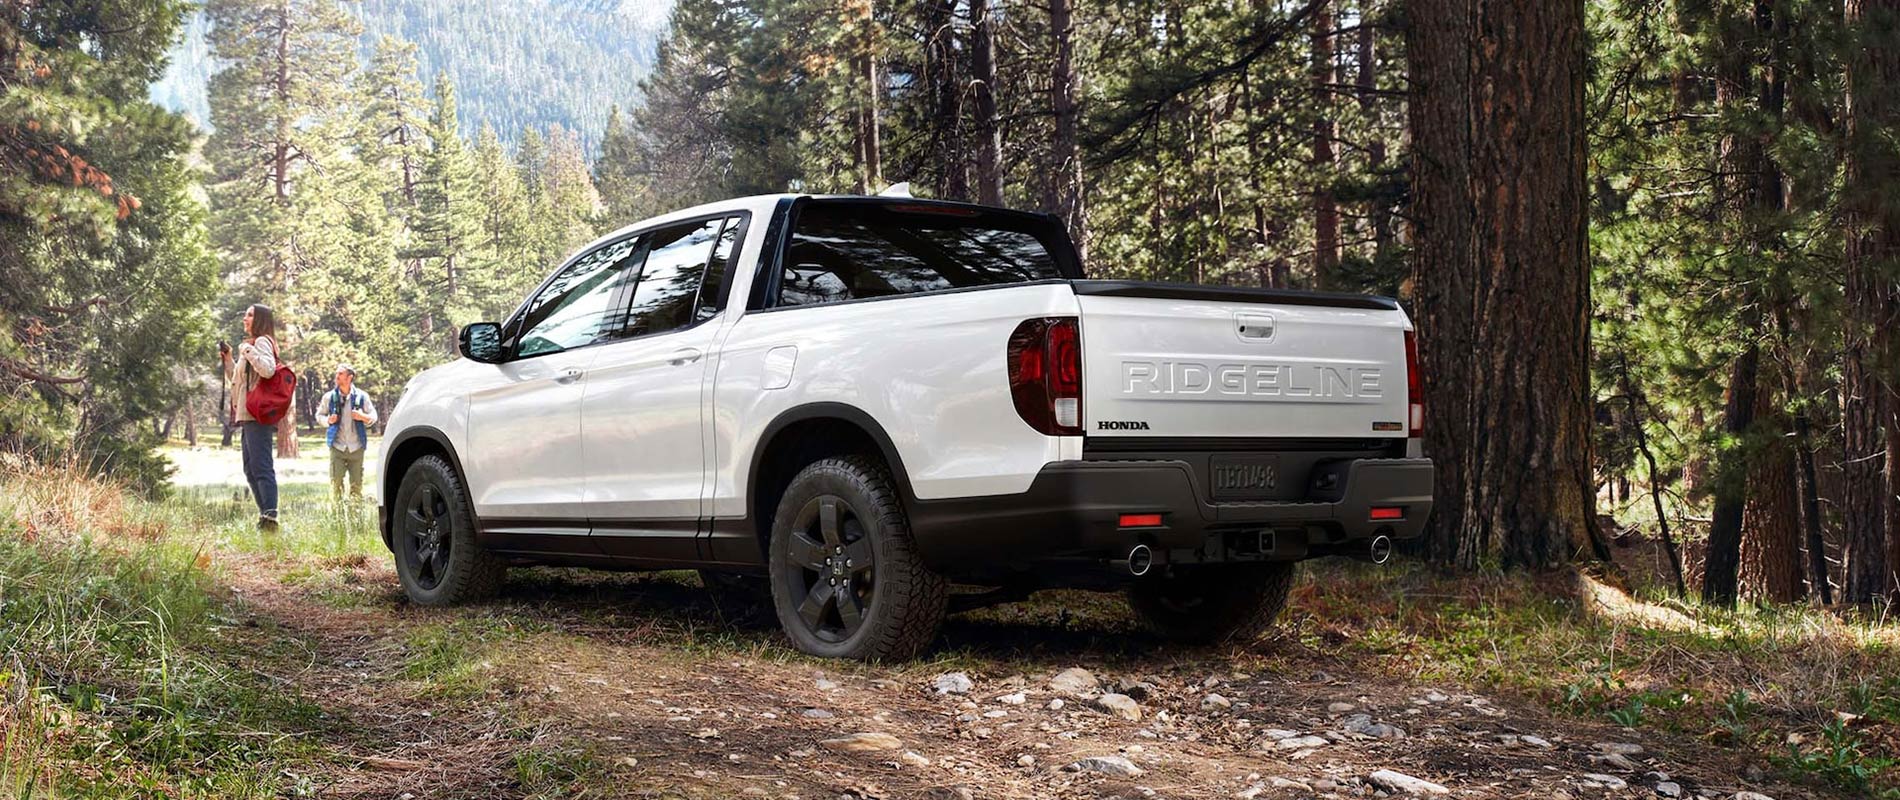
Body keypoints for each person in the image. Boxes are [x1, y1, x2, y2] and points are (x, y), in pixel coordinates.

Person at [221, 303, 280, 530]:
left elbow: (268, 369)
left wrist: (247, 349)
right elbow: (239, 380)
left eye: (250, 315)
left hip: (258, 415)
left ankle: (270, 517)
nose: (245, 318)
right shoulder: (252, 345)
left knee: (261, 467)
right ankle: (265, 516)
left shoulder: (262, 342)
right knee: (250, 468)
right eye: (245, 314)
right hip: (248, 415)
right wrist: (228, 359)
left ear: (261, 319)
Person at [323, 363, 378, 501]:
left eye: (340, 374)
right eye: (337, 373)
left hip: (357, 448)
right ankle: (338, 518)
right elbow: (319, 415)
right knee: (336, 484)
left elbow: (373, 416)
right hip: (337, 447)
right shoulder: (329, 397)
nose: (337, 376)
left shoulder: (362, 396)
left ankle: (356, 518)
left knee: (356, 486)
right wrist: (328, 420)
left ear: (349, 377)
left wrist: (362, 417)